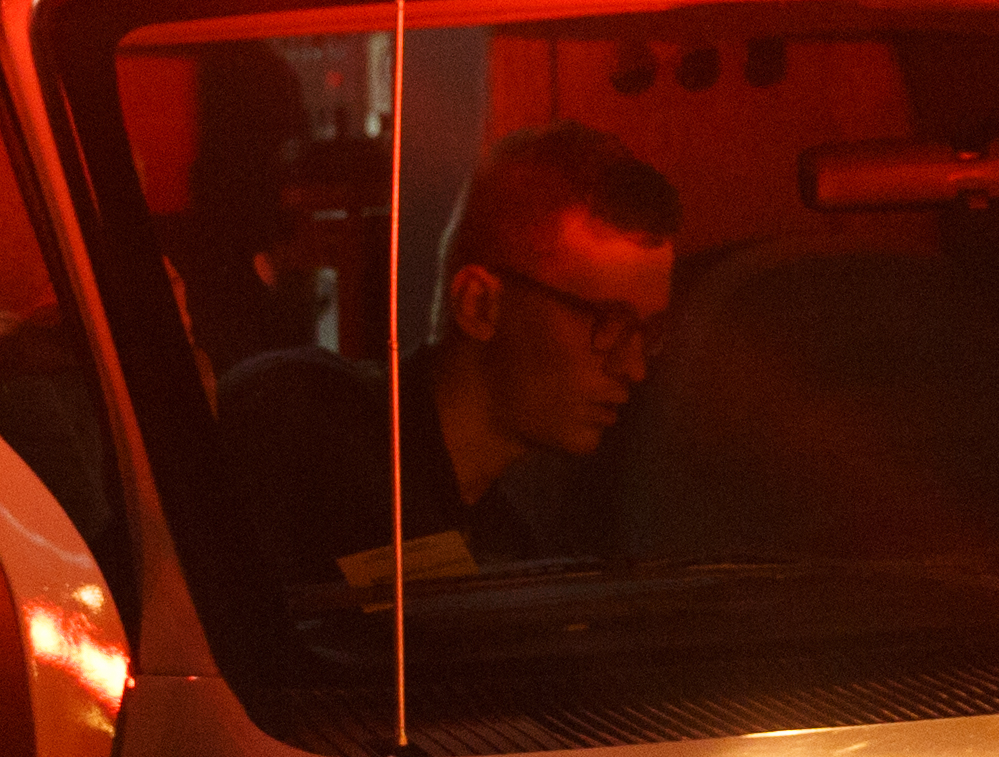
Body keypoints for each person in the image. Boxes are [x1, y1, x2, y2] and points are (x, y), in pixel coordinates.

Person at [216, 121, 682, 590]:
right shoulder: (296, 423)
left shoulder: (511, 548)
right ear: (480, 305)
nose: (634, 368)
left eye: (649, 331)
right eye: (607, 323)